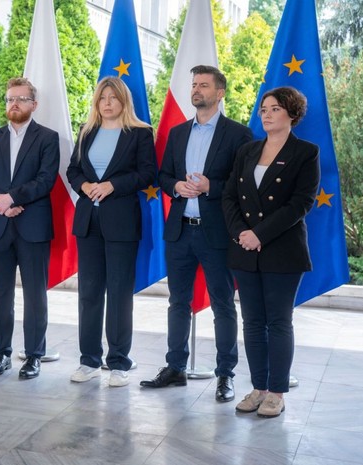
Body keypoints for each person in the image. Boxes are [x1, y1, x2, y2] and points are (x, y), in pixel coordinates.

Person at [141, 65, 252, 402]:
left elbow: (243, 184)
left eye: (204, 85)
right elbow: (163, 176)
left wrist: (210, 187)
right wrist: (175, 186)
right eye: (194, 85)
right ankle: (175, 367)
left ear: (220, 93)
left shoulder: (239, 135)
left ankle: (225, 374)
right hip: (179, 232)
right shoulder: (177, 133)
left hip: (216, 233)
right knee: (178, 302)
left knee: (223, 304)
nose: (196, 90)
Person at [223, 87, 319, 418]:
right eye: (263, 109)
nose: (266, 114)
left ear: (292, 113)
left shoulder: (306, 152)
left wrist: (259, 234)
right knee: (252, 321)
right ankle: (258, 388)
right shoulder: (247, 151)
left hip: (283, 250)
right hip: (245, 249)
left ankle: (276, 392)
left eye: (274, 109)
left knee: (278, 321)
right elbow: (230, 196)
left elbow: (301, 203)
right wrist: (241, 233)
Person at [66, 77, 157, 387]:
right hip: (88, 222)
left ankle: (118, 362)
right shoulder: (86, 131)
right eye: (102, 98)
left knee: (119, 293)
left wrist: (112, 185)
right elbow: (73, 170)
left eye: (113, 98)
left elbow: (148, 173)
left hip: (122, 222)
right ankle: (89, 360)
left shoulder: (140, 133)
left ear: (123, 101)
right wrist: (85, 185)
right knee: (89, 293)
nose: (107, 103)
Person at [0, 77, 59, 379]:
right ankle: (1, 353)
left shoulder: (48, 137)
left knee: (35, 295)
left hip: (33, 225)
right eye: (10, 99)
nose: (14, 104)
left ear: (33, 105)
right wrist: (2, 203)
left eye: (21, 99)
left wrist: (13, 198)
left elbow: (46, 180)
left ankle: (34, 355)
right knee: (0, 295)